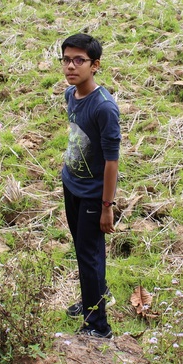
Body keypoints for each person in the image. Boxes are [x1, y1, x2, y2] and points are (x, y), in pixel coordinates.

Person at [59, 33, 120, 339]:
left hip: (94, 195)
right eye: (67, 59)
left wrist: (107, 207)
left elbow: (112, 161)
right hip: (72, 184)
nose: (71, 66)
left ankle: (98, 326)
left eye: (79, 60)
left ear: (95, 65)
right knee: (87, 251)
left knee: (88, 253)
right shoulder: (72, 94)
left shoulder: (104, 108)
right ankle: (94, 294)